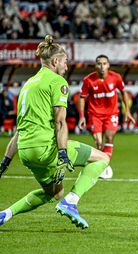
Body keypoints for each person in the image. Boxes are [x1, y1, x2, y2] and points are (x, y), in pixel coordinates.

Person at [0, 35, 110, 229]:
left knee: (54, 193)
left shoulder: (28, 85)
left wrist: (5, 163)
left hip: (25, 152)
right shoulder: (57, 82)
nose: (67, 67)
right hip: (45, 149)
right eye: (65, 62)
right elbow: (60, 122)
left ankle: (5, 214)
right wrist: (62, 153)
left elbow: (20, 128)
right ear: (55, 61)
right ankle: (72, 201)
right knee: (102, 158)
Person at [77, 55, 135, 179]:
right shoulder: (89, 80)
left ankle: (105, 166)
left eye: (104, 63)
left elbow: (124, 92)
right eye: (99, 64)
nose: (102, 66)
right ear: (96, 65)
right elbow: (82, 97)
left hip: (111, 113)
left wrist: (128, 111)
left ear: (108, 65)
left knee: (109, 137)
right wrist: (82, 116)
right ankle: (103, 164)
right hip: (95, 114)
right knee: (98, 143)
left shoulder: (116, 77)